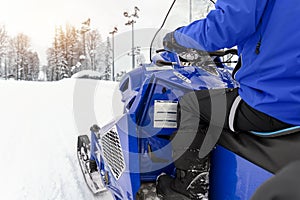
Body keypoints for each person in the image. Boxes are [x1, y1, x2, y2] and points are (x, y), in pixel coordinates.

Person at [156, 0, 300, 199]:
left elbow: (229, 23)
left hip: (273, 102)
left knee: (191, 104)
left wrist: (177, 39)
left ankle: (186, 189)